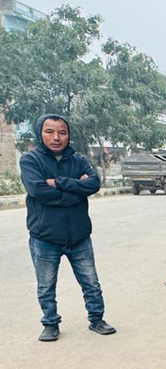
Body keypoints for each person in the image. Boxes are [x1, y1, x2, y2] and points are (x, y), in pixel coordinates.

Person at [19, 114, 116, 341]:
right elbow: (38, 191)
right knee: (46, 285)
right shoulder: (30, 160)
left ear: (68, 135)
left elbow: (93, 183)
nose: (56, 137)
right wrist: (75, 191)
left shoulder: (78, 159)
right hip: (45, 237)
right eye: (49, 132)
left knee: (91, 282)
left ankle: (97, 319)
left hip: (79, 236)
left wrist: (58, 182)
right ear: (40, 134)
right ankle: (50, 323)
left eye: (62, 132)